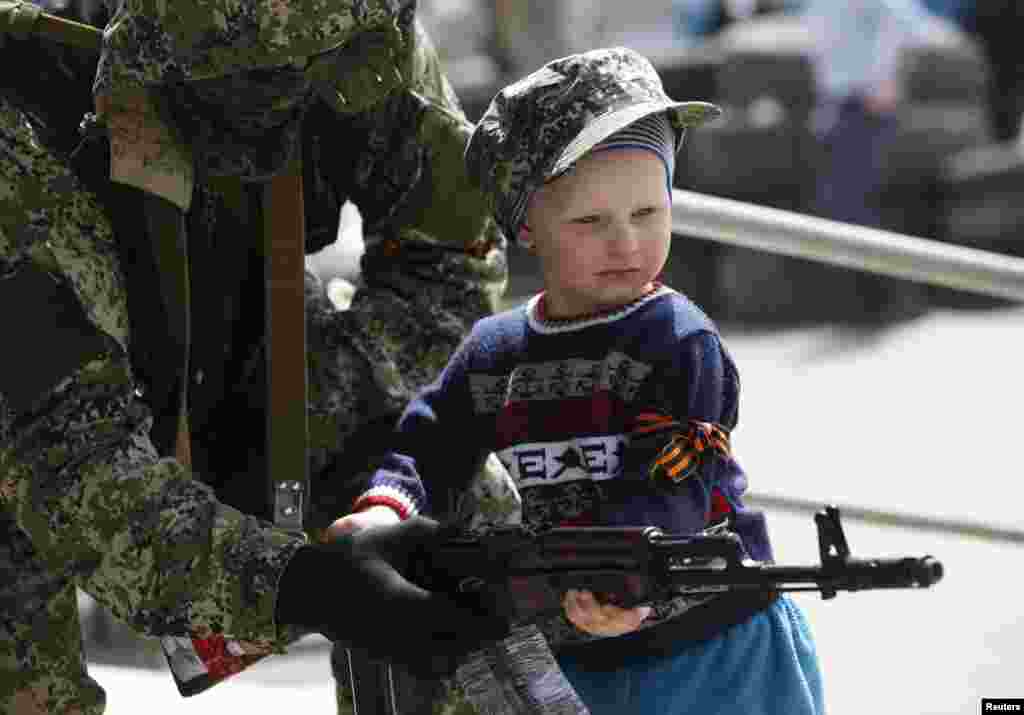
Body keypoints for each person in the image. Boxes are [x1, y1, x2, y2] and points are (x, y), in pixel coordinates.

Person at [0, 0, 514, 711]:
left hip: (237, 353)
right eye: (250, 88)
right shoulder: (21, 127)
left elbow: (451, 271)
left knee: (454, 493)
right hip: (32, 438)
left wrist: (323, 423)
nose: (279, 103)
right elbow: (69, 464)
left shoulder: (351, 36)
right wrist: (311, 584)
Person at [337, 47, 825, 714]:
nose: (626, 241)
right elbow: (432, 437)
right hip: (579, 650)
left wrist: (626, 579)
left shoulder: (678, 341)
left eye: (649, 213)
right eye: (592, 221)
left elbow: (679, 477)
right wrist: (387, 504)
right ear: (527, 227)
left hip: (716, 647)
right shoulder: (496, 353)